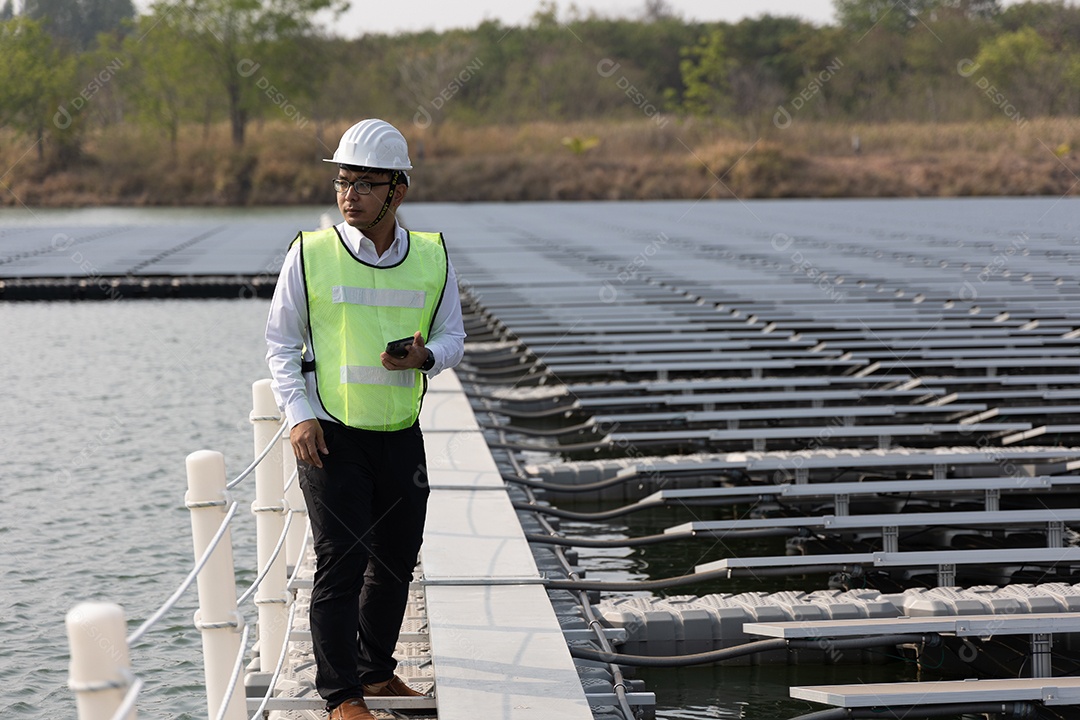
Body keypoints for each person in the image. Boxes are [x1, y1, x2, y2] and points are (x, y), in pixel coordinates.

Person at [265, 118, 466, 720]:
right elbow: (280, 345)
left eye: (363, 184)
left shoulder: (432, 254)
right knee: (341, 559)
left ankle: (376, 674)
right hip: (330, 433)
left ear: (397, 191)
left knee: (398, 558)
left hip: (400, 431)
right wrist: (298, 416)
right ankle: (341, 697)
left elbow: (454, 335)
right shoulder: (310, 252)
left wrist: (425, 356)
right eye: (342, 182)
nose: (348, 194)